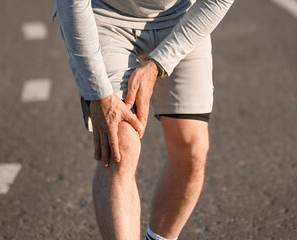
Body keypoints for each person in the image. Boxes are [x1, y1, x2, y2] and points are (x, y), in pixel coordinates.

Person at [53, 0, 234, 239]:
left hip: (179, 17)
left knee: (192, 148)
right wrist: (98, 93)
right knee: (120, 145)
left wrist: (158, 65)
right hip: (106, 18)